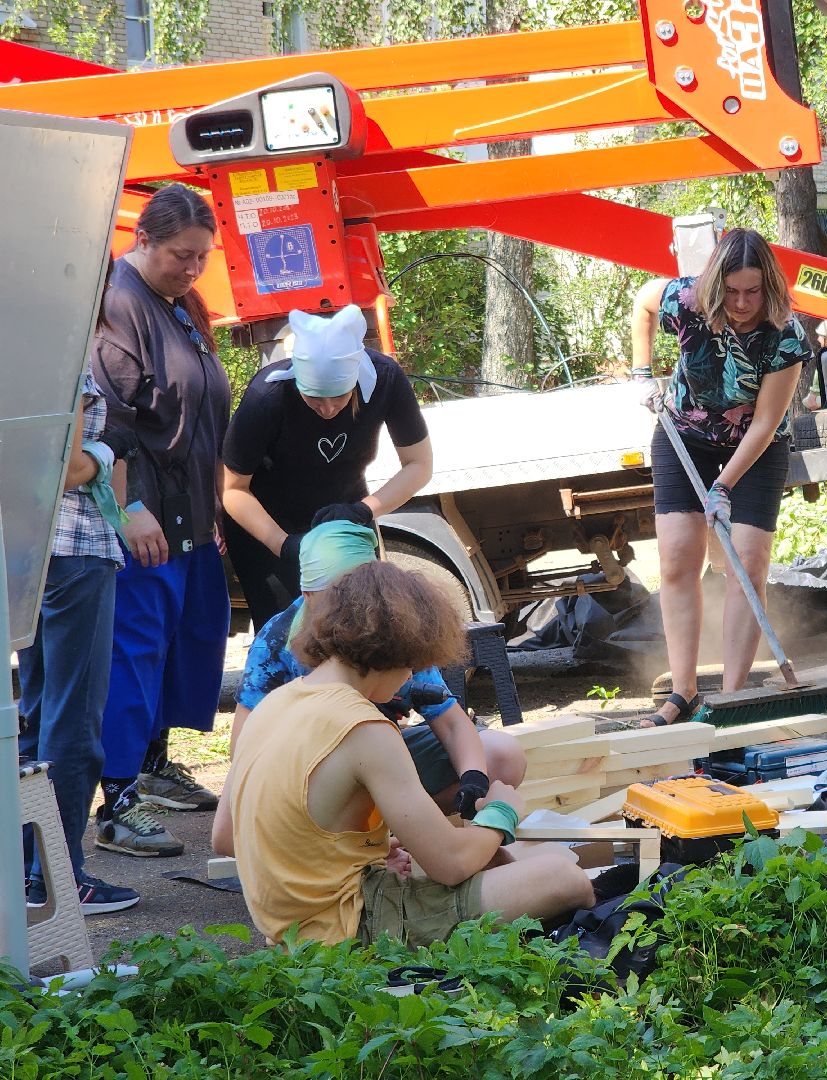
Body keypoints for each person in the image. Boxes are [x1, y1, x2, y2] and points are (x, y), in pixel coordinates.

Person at [227, 558, 594, 946]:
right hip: (344, 930)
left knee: (529, 856)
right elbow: (451, 864)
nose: (410, 680)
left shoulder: (277, 702)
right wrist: (501, 810)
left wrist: (375, 850)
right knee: (564, 876)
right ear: (395, 649)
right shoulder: (363, 728)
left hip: (296, 925)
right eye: (416, 665)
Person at [211, 519, 526, 857]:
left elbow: (449, 721)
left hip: (371, 770)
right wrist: (498, 818)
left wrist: (474, 778)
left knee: (500, 753)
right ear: (308, 595)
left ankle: (391, 833)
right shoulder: (277, 643)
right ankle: (369, 841)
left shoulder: (387, 632)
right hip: (313, 783)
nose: (409, 678)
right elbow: (453, 864)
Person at [93, 184, 231, 857]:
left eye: (203, 257)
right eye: (183, 254)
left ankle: (152, 766)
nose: (194, 268)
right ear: (143, 239)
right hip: (147, 517)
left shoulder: (178, 306)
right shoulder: (121, 306)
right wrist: (127, 509)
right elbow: (110, 426)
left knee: (186, 647)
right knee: (134, 654)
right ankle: (116, 804)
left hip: (192, 517)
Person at [629, 229, 807, 726]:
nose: (742, 302)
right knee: (678, 561)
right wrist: (641, 373)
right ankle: (682, 693)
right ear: (715, 285)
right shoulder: (686, 300)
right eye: (731, 291)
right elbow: (643, 303)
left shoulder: (784, 333)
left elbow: (767, 422)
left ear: (768, 286)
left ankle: (731, 700)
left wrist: (724, 486)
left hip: (754, 450)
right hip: (683, 436)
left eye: (753, 291)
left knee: (747, 566)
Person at [21, 262, 142, 914]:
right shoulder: (67, 350)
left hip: (36, 558)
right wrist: (111, 449)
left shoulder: (23, 346)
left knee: (38, 718)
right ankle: (62, 880)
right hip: (76, 555)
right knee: (74, 726)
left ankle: (29, 872)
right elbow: (65, 467)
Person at [221, 303, 433, 632]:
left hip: (346, 514)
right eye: (314, 400)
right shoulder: (268, 395)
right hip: (268, 524)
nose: (327, 409)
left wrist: (364, 511)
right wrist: (284, 544)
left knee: (363, 628)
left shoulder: (386, 380)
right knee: (292, 635)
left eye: (339, 398)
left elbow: (419, 465)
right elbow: (233, 490)